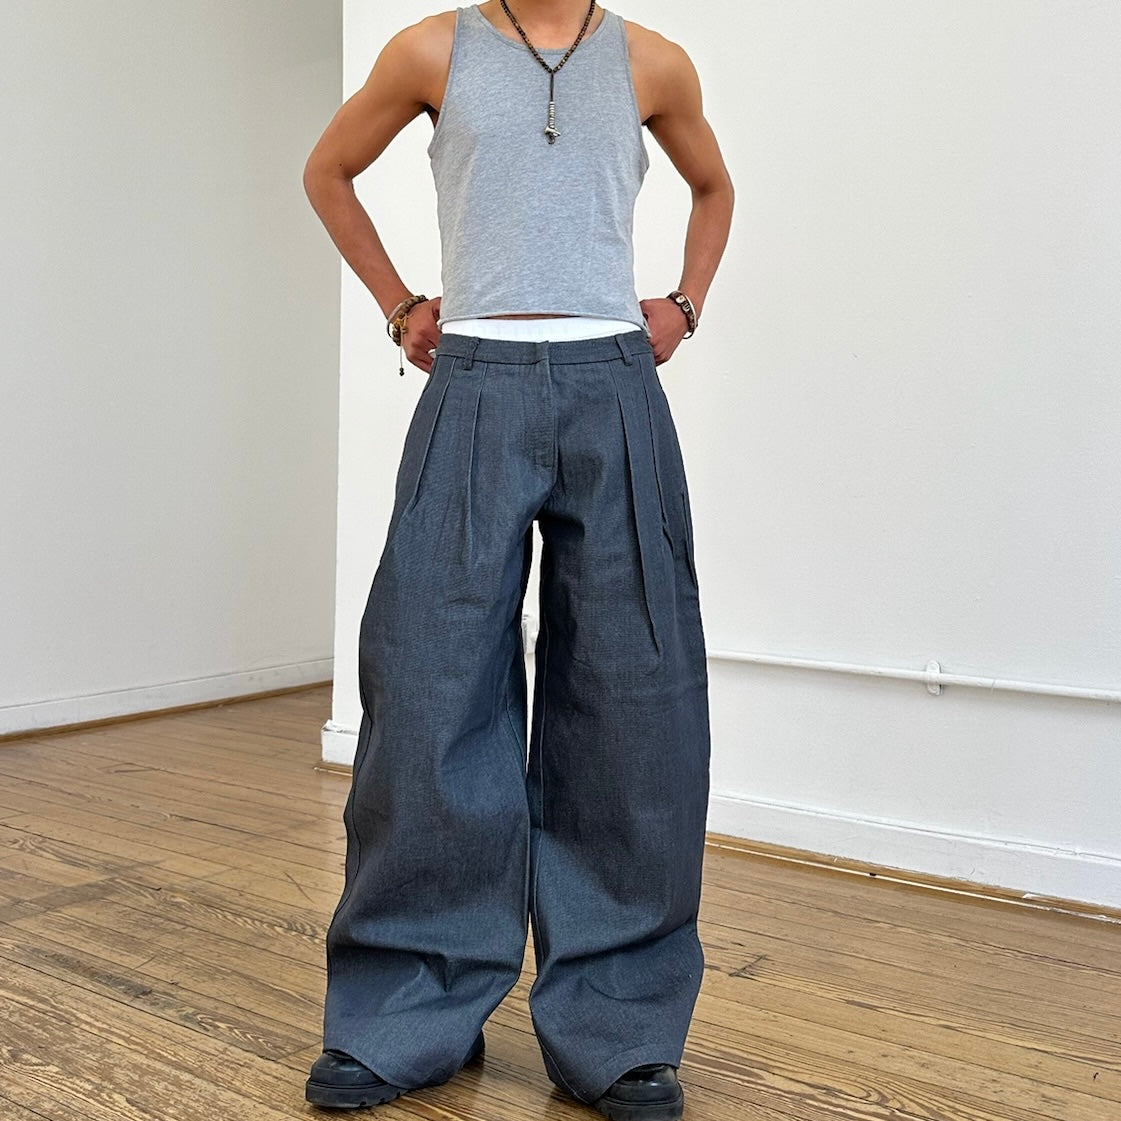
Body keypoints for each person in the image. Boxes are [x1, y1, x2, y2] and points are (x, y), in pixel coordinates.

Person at [301, 2, 732, 1118]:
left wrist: (684, 305)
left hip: (613, 387)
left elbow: (713, 187)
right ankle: (406, 1007)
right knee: (428, 687)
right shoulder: (429, 50)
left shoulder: (653, 62)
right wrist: (401, 306)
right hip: (475, 382)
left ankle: (619, 1027)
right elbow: (327, 172)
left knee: (635, 700)